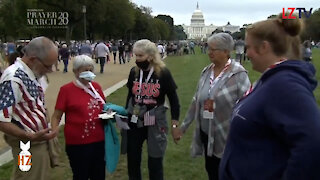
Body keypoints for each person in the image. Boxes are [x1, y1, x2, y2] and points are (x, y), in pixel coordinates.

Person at [219, 14, 320, 180]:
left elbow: (313, 144)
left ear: (264, 47)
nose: (247, 53)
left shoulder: (285, 84)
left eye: (249, 47)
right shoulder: (272, 79)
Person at [174, 33, 251, 180]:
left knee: (226, 173)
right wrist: (183, 127)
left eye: (213, 49)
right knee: (212, 170)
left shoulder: (239, 74)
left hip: (227, 136)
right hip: (206, 133)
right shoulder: (206, 71)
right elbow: (196, 101)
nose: (209, 52)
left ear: (226, 51)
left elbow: (247, 107)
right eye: (209, 48)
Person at [0, 36, 58, 180]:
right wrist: (28, 136)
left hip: (36, 142)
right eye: (47, 66)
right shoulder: (13, 78)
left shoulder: (31, 73)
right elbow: (2, 119)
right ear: (33, 59)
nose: (50, 70)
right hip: (26, 145)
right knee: (27, 175)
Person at [124, 39, 180, 180]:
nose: (137, 59)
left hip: (155, 120)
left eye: (140, 56)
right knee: (133, 159)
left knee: (155, 160)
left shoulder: (163, 73)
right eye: (135, 55)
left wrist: (174, 123)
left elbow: (174, 100)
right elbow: (130, 95)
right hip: (135, 119)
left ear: (150, 56)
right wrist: (126, 114)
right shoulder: (134, 73)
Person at [51, 55, 106, 180]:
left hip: (98, 140)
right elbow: (57, 115)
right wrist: (54, 131)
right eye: (85, 70)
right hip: (77, 143)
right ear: (76, 71)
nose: (89, 73)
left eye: (91, 70)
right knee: (81, 175)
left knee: (99, 174)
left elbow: (103, 106)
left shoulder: (96, 87)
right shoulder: (66, 90)